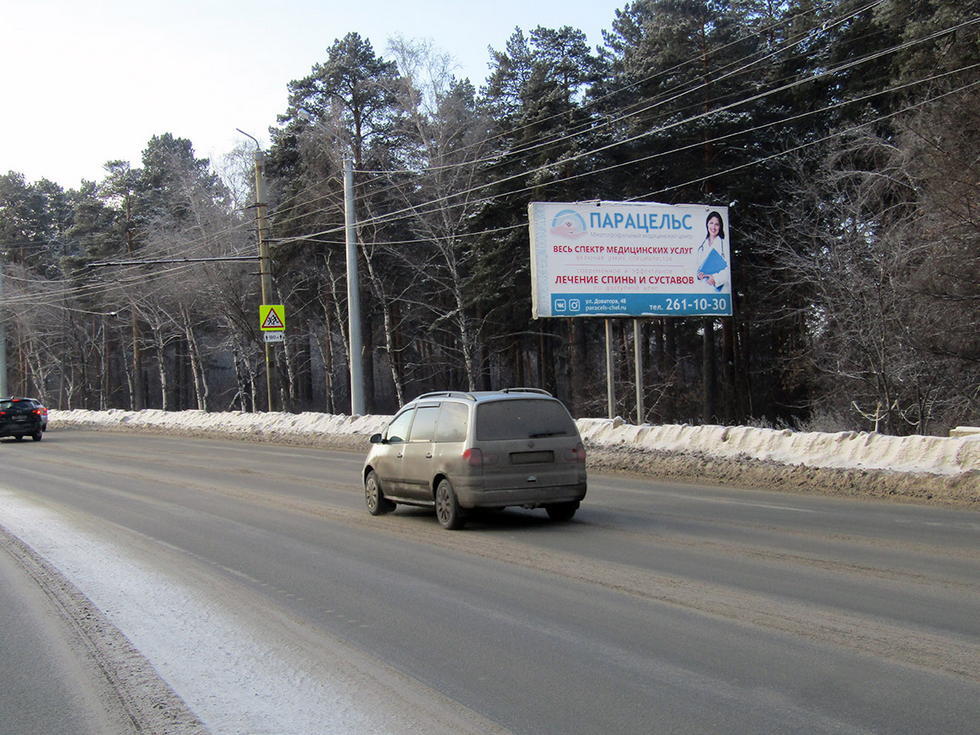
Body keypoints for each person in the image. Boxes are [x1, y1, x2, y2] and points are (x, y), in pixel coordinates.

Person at [696, 211, 729, 292]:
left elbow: (728, 270)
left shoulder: (724, 244)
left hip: (719, 290)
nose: (713, 227)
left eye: (716, 224)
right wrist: (699, 275)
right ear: (707, 224)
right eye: (711, 223)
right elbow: (697, 266)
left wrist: (715, 278)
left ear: (720, 226)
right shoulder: (702, 246)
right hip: (703, 289)